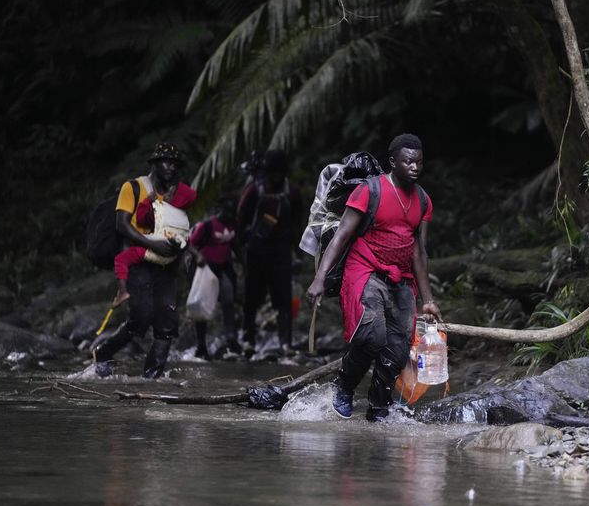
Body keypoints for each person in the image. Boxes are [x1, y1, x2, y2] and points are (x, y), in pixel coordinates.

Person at [306, 134, 442, 422]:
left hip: (402, 278)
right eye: (408, 161)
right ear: (393, 162)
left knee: (398, 349)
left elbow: (419, 251)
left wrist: (428, 300)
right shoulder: (370, 191)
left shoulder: (423, 200)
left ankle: (379, 406)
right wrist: (320, 278)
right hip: (365, 269)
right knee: (371, 336)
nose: (414, 167)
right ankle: (344, 388)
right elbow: (342, 235)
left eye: (419, 162)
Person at [93, 142, 195, 378]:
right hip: (139, 261)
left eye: (175, 164)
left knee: (167, 324)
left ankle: (152, 380)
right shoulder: (134, 187)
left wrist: (184, 251)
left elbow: (181, 227)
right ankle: (104, 352)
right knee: (142, 316)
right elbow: (122, 224)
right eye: (166, 162)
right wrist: (152, 244)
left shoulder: (177, 193)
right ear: (154, 164)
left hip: (167, 266)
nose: (171, 167)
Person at [237, 150, 302, 355]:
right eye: (272, 172)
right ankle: (248, 340)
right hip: (257, 250)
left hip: (281, 251)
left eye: (278, 173)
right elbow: (241, 218)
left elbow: (298, 222)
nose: (275, 177)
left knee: (283, 297)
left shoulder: (292, 192)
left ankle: (285, 343)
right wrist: (244, 243)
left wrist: (297, 252)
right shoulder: (254, 190)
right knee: (252, 296)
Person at [111, 187, 195, 308]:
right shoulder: (183, 219)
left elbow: (141, 218)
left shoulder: (160, 209)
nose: (165, 194)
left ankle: (122, 292)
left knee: (120, 259)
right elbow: (186, 240)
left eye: (169, 193)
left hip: (153, 251)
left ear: (175, 199)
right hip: (170, 258)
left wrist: (147, 201)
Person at [189, 197, 239, 359]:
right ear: (220, 210)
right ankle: (201, 345)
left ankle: (231, 339)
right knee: (201, 305)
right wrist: (198, 256)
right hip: (206, 268)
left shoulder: (233, 225)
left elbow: (235, 245)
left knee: (228, 299)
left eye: (232, 212)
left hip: (224, 268)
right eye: (227, 211)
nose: (229, 215)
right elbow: (189, 243)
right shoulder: (207, 226)